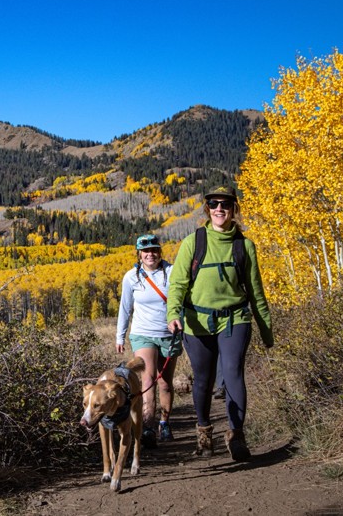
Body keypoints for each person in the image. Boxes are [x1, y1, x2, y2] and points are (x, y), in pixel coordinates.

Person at [166, 186, 273, 462]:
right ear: (207, 209)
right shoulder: (194, 242)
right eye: (213, 204)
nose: (219, 209)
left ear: (233, 209)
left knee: (233, 373)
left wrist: (266, 328)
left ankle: (236, 435)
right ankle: (204, 432)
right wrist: (173, 314)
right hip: (197, 322)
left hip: (235, 318)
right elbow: (177, 283)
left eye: (225, 204)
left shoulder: (244, 246)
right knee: (203, 379)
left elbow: (256, 291)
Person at [116, 233, 182, 449]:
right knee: (148, 380)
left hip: (168, 334)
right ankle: (147, 427)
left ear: (159, 252)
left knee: (165, 383)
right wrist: (120, 336)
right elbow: (125, 308)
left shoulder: (172, 272)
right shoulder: (131, 277)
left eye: (154, 250)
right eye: (145, 251)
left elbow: (182, 299)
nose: (150, 254)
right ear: (139, 254)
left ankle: (164, 422)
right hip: (142, 333)